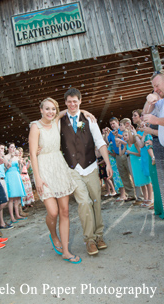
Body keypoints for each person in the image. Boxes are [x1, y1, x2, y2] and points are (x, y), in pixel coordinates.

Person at [60, 88, 111, 256]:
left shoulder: (89, 119)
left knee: (96, 200)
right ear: (65, 102)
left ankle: (99, 235)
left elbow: (99, 141)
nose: (72, 104)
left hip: (90, 166)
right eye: (69, 101)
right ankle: (89, 239)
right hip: (72, 168)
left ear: (80, 101)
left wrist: (108, 164)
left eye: (75, 101)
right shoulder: (59, 121)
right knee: (83, 202)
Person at [30, 98, 80, 263]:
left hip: (59, 167)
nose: (50, 112)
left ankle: (66, 251)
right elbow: (32, 154)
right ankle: (53, 234)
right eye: (47, 109)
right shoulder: (35, 126)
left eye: (53, 109)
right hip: (44, 169)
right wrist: (37, 177)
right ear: (41, 110)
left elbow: (71, 110)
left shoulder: (57, 120)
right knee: (53, 211)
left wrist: (84, 112)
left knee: (64, 211)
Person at [142, 72, 164, 218]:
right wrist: (150, 100)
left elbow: (154, 120)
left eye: (157, 85)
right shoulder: (162, 101)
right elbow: (144, 114)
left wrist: (156, 121)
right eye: (153, 87)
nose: (155, 89)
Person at [132, 109, 156, 208]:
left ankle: (151, 199)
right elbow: (141, 144)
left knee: (149, 179)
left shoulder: (146, 127)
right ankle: (147, 199)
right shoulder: (139, 129)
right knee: (145, 177)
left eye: (135, 115)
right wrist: (134, 133)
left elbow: (145, 142)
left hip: (148, 153)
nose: (133, 117)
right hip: (143, 154)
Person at [107, 117, 135, 201]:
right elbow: (108, 142)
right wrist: (107, 133)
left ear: (118, 123)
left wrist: (117, 135)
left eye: (113, 123)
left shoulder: (123, 130)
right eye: (111, 124)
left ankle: (139, 194)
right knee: (123, 176)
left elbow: (127, 140)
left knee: (131, 173)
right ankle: (130, 195)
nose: (112, 125)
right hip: (118, 156)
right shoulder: (111, 133)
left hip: (126, 154)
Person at [3, 144, 27, 224]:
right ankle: (12, 217)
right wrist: (10, 158)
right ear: (8, 148)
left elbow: (20, 170)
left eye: (14, 147)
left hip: (17, 175)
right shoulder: (6, 157)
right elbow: (6, 168)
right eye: (12, 147)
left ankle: (17, 215)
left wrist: (21, 163)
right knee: (11, 198)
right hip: (10, 176)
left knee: (17, 197)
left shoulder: (17, 158)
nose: (13, 149)